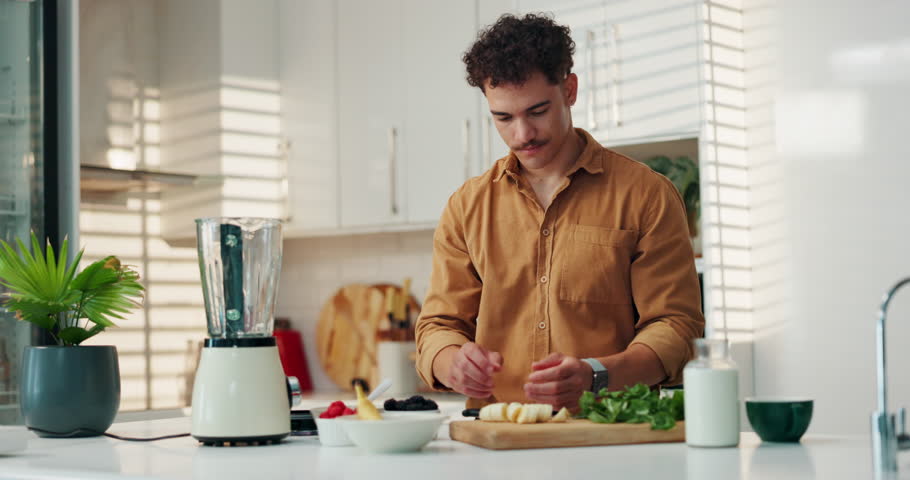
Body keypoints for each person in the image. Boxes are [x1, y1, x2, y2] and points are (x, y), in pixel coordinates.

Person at [415, 13, 704, 410]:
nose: (522, 134)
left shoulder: (646, 195)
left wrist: (597, 376)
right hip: (498, 437)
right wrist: (451, 362)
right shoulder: (467, 207)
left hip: (609, 432)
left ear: (569, 89)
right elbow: (438, 326)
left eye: (537, 111)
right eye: (503, 117)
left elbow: (676, 327)